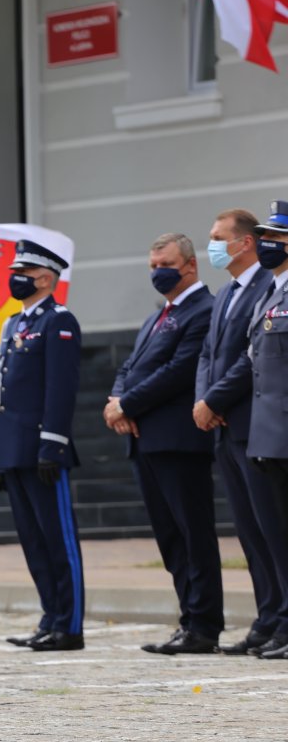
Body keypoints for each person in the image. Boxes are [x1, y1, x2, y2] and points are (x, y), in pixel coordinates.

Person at [106, 233, 221, 654]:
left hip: (178, 440)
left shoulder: (203, 311)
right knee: (170, 539)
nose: (158, 272)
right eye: (153, 266)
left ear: (190, 265)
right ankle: (188, 619)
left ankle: (205, 625)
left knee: (193, 535)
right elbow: (129, 365)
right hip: (146, 440)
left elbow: (178, 371)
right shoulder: (159, 315)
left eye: (165, 265)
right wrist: (116, 400)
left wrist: (127, 404)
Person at [194, 208, 288, 657]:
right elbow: (209, 356)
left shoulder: (268, 288)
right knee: (251, 532)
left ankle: (281, 620)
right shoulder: (231, 292)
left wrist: (215, 400)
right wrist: (204, 400)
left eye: (218, 237)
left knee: (274, 530)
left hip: (257, 422)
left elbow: (248, 362)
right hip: (226, 427)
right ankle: (269, 618)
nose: (211, 244)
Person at [0, 240, 85, 652]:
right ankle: (50, 616)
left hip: (42, 446)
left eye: (23, 273)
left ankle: (70, 624)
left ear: (45, 278)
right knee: (33, 540)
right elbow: (4, 391)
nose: (16, 279)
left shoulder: (58, 322)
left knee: (57, 539)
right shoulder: (14, 324)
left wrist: (53, 443)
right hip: (13, 447)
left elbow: (60, 389)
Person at [244, 200, 288, 660]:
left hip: (283, 432)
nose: (266, 246)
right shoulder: (268, 293)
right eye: (264, 238)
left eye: (275, 239)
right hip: (266, 433)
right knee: (275, 535)